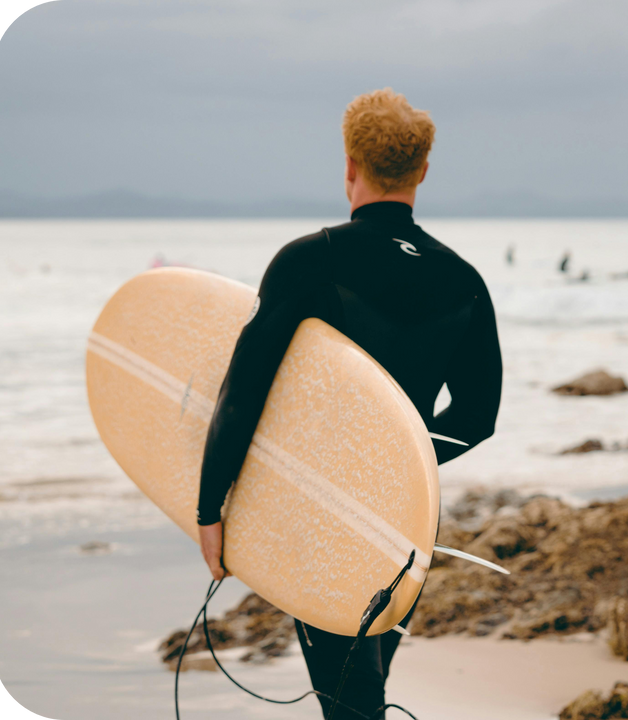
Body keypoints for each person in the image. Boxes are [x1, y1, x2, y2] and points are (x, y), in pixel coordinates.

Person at [195, 88, 503, 719]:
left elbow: (243, 391)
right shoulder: (464, 279)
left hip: (322, 511)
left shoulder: (310, 261)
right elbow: (478, 416)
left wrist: (209, 505)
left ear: (349, 167)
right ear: (421, 172)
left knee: (351, 699)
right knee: (360, 686)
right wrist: (399, 469)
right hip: (407, 519)